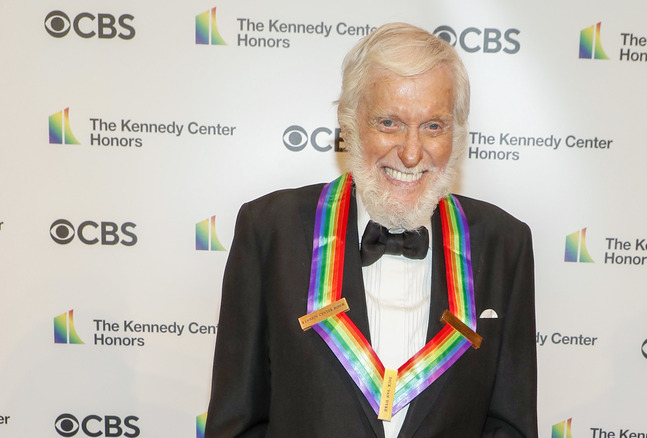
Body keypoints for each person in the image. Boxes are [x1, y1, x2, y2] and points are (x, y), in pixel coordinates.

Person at [205, 22, 537, 438]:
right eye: (389, 123)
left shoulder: (505, 244)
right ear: (348, 123)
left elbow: (509, 427)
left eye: (433, 126)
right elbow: (236, 424)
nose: (412, 152)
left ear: (457, 133)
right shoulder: (269, 230)